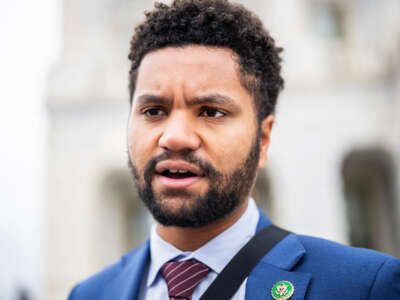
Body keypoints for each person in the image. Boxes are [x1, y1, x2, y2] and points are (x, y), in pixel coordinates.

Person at [68, 0, 400, 299]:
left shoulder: (365, 287)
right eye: (154, 110)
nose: (175, 137)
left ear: (263, 139)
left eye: (211, 111)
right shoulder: (89, 294)